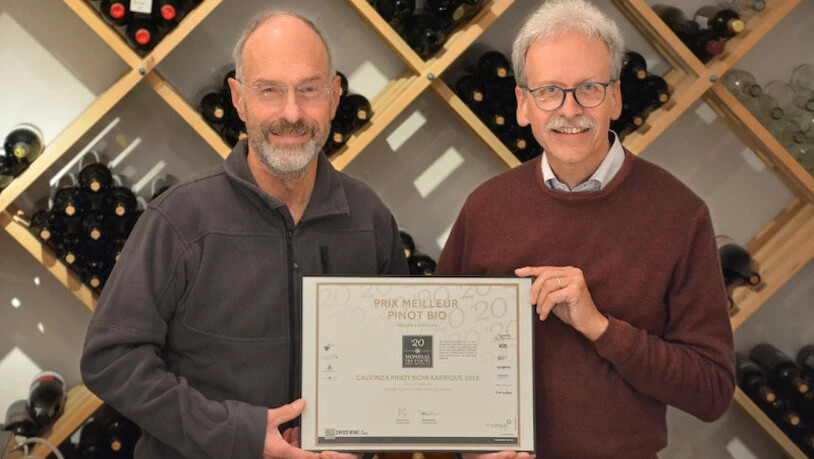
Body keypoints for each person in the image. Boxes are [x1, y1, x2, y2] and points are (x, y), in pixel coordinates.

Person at [80, 11, 408, 459]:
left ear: (334, 98)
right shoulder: (179, 218)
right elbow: (111, 359)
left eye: (309, 89)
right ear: (238, 98)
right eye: (269, 90)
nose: (291, 113)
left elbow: (396, 358)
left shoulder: (369, 217)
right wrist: (239, 433)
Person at [437, 1, 735, 457]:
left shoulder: (679, 214)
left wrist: (600, 327)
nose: (569, 110)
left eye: (588, 89)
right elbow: (437, 360)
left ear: (615, 97)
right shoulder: (485, 208)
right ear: (522, 104)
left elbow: (712, 391)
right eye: (549, 91)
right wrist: (466, 447)